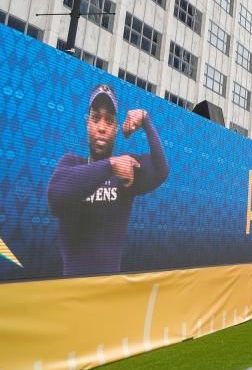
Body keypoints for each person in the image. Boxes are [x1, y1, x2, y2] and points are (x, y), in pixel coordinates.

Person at [47, 84, 169, 276]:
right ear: (88, 123)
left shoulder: (126, 166)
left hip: (111, 289)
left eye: (109, 121)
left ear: (115, 128)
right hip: (71, 291)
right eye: (96, 118)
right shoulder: (72, 163)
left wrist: (146, 120)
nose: (102, 128)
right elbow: (56, 197)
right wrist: (109, 165)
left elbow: (161, 170)